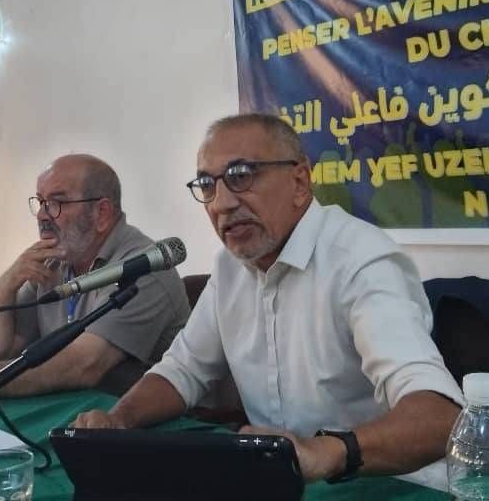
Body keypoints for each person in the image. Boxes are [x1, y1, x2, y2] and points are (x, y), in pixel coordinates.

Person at [74, 114, 464, 488]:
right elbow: (183, 371)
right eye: (207, 185)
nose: (222, 203)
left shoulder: (361, 261)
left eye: (241, 176)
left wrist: (326, 452)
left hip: (382, 482)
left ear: (299, 182)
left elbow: (441, 418)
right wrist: (119, 420)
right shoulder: (230, 267)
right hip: (275, 478)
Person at [0, 154, 191, 415]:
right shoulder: (55, 261)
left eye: (57, 202)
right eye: (41, 202)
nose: (43, 215)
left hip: (140, 426)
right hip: (74, 411)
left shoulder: (143, 268)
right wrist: (7, 282)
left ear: (102, 213)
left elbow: (84, 365)